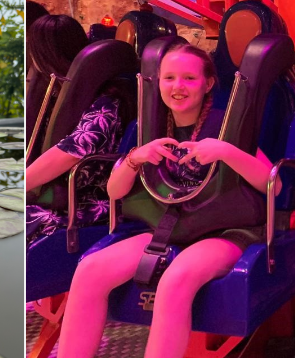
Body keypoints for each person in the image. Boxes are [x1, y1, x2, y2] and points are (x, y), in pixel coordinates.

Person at [57, 42, 278, 358]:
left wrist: (227, 151)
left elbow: (273, 182)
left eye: (189, 78)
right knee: (91, 269)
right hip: (166, 228)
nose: (178, 87)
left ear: (208, 83)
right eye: (169, 78)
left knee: (177, 279)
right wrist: (136, 158)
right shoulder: (150, 126)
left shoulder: (227, 125)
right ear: (157, 82)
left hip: (223, 232)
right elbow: (115, 192)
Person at [24, 14, 134, 247]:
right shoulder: (55, 95)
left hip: (83, 203)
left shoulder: (107, 102)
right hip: (52, 198)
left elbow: (72, 151)